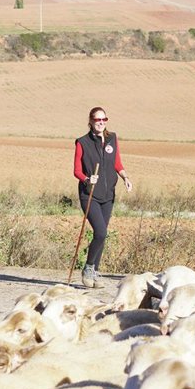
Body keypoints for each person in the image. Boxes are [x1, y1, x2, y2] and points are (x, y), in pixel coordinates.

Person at [73, 106, 132, 288]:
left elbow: (117, 163)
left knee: (102, 236)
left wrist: (125, 177)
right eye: (97, 120)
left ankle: (94, 273)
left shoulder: (112, 138)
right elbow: (76, 170)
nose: (101, 123)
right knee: (101, 232)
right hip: (89, 194)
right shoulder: (82, 142)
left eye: (103, 119)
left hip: (108, 195)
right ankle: (88, 268)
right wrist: (87, 179)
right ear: (90, 121)